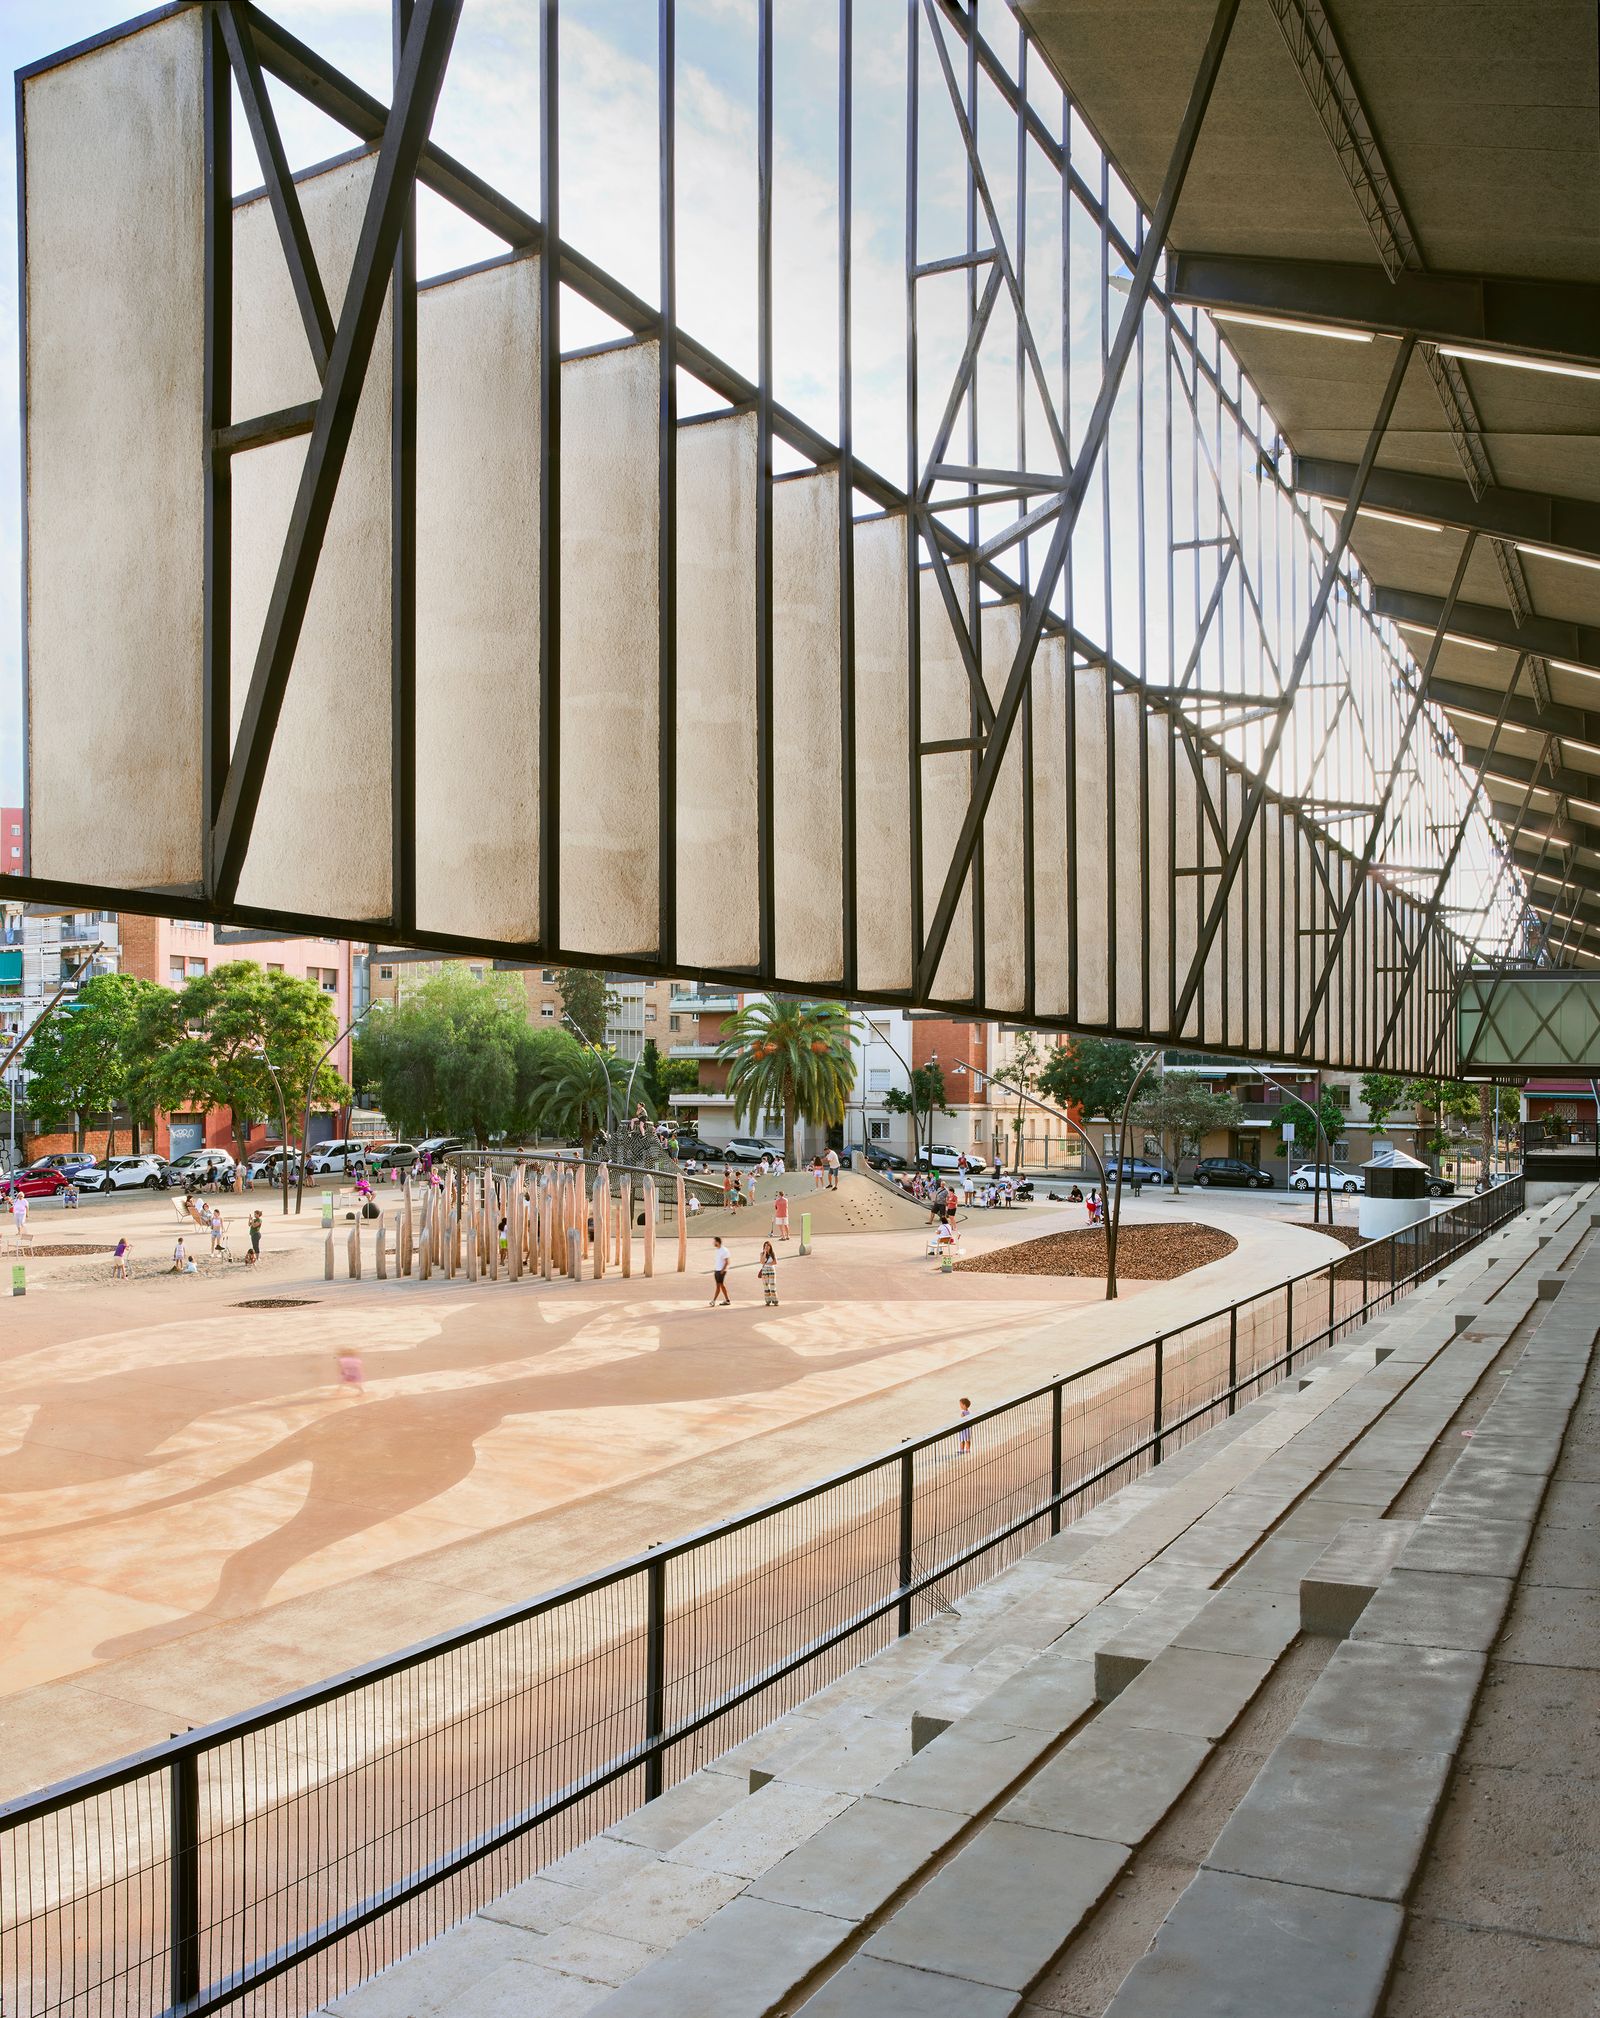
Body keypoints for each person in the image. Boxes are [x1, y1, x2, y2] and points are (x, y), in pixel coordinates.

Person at [709, 1236, 732, 1307]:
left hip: (721, 1271)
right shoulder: (717, 1250)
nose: (713, 1243)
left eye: (714, 1242)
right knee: (721, 1286)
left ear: (718, 1242)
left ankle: (713, 1301)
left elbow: (727, 1262)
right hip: (717, 1270)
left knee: (718, 1286)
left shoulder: (724, 1250)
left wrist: (722, 1270)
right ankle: (727, 1300)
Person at [758, 1239, 779, 1307]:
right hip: (764, 1271)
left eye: (768, 1246)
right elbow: (761, 1262)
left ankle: (775, 1300)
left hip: (772, 1271)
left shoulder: (772, 1254)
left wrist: (767, 1264)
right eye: (765, 1246)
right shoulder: (762, 1254)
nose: (766, 1247)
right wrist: (764, 1253)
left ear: (770, 1247)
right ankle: (768, 1301)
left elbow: (775, 1262)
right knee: (766, 1286)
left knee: (772, 1286)